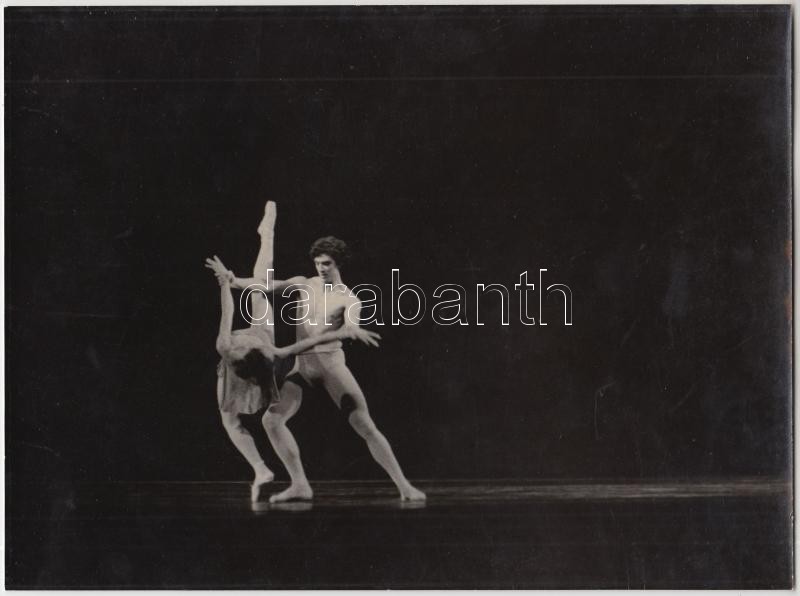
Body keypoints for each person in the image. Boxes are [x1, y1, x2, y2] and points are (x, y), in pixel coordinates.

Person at [209, 235, 426, 503]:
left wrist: (352, 329)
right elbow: (265, 286)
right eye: (318, 263)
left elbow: (349, 327)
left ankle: (404, 486)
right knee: (271, 421)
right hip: (303, 367)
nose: (321, 268)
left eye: (327, 263)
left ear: (338, 263)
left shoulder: (349, 299)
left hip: (330, 366)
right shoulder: (305, 283)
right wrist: (233, 280)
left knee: (363, 424)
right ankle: (300, 485)